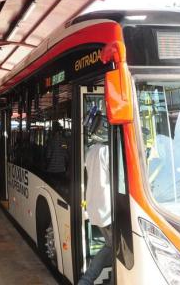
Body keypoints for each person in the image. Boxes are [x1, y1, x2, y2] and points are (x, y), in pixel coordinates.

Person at [79, 110, 112, 285]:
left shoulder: (91, 151)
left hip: (96, 209)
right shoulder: (107, 151)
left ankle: (87, 280)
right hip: (109, 210)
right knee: (117, 250)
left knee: (110, 246)